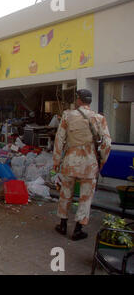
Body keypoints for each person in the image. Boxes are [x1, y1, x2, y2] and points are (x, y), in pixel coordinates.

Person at [53, 89, 111, 241]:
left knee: (66, 193)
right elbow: (107, 144)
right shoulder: (99, 118)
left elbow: (59, 140)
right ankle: (78, 230)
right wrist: (102, 161)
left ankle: (63, 225)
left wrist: (56, 161)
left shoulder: (67, 115)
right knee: (85, 198)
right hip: (89, 164)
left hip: (70, 162)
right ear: (89, 101)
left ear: (78, 100)